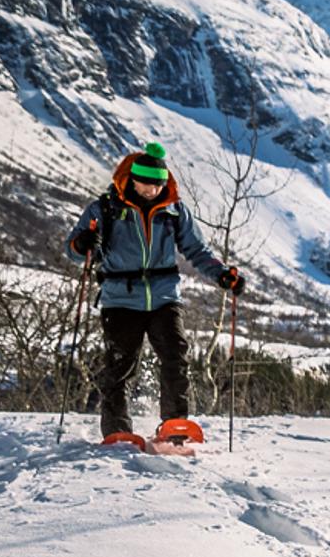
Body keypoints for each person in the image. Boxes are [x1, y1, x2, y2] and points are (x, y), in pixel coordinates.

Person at [66, 142, 243, 444]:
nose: (152, 190)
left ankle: (175, 424)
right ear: (133, 179)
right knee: (120, 365)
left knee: (176, 356)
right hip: (120, 298)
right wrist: (83, 244)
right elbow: (74, 249)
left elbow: (197, 250)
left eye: (158, 185)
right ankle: (118, 431)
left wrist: (222, 275)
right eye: (147, 184)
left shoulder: (174, 211)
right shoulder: (106, 208)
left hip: (164, 297)